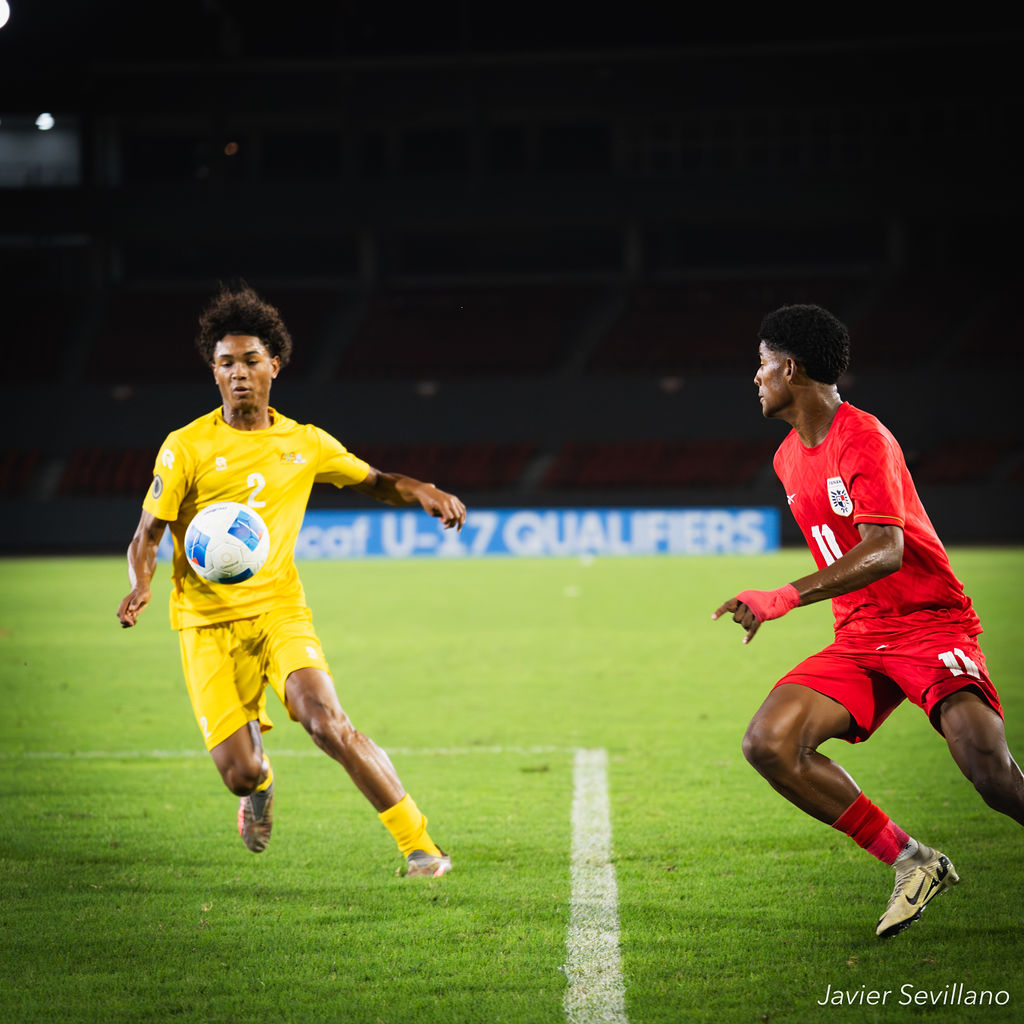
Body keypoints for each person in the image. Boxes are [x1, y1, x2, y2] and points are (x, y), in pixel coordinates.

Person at [117, 284, 466, 877]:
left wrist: (421, 489)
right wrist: (141, 583)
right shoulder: (185, 448)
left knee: (327, 722)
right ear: (214, 371)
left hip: (280, 611)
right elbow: (147, 534)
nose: (239, 373)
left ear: (274, 365)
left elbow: (374, 480)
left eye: (251, 360)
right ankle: (261, 786)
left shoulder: (305, 443)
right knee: (241, 772)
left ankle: (421, 846)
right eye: (226, 363)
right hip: (205, 624)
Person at [712, 303, 1024, 937]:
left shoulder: (864, 437)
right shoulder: (786, 458)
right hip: (860, 636)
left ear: (790, 367)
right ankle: (914, 861)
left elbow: (886, 550)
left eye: (762, 363)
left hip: (929, 624)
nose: (756, 376)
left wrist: (783, 596)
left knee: (990, 774)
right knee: (769, 744)